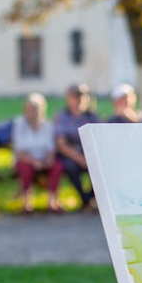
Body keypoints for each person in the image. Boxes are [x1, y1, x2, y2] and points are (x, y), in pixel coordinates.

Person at [10, 92, 62, 214]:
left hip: (43, 159)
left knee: (57, 166)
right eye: (28, 109)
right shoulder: (19, 125)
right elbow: (19, 149)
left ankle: (52, 200)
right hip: (26, 159)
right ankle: (26, 201)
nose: (30, 112)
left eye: (34, 109)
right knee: (25, 167)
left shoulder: (48, 126)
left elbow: (50, 147)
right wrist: (34, 161)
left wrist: (48, 160)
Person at [53, 83, 100, 211]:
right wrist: (80, 158)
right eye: (75, 96)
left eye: (82, 96)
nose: (79, 100)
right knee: (70, 167)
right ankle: (86, 201)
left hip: (90, 154)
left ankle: (91, 199)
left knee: (100, 167)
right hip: (71, 155)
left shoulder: (92, 116)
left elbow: (98, 140)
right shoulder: (62, 117)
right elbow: (61, 143)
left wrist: (89, 158)